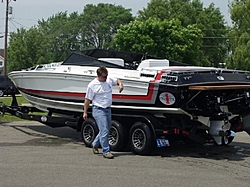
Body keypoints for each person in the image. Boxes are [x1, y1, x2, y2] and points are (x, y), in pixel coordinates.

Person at [83, 66, 124, 159]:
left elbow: (117, 80)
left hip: (107, 108)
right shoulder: (92, 85)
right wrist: (85, 112)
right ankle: (106, 151)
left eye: (106, 76)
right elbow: (87, 99)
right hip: (98, 109)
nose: (105, 78)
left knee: (106, 129)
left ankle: (95, 143)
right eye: (103, 77)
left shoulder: (108, 80)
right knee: (104, 130)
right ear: (99, 76)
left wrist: (120, 84)